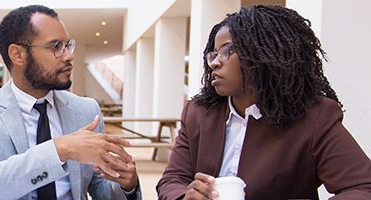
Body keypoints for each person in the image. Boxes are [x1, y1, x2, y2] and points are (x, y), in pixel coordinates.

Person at [156, 5, 371, 200]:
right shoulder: (198, 113)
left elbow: (362, 187)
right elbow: (171, 180)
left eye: (226, 51)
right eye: (213, 54)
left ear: (262, 54)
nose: (214, 63)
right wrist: (187, 196)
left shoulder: (313, 117)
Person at [0, 5, 141, 200]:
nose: (69, 55)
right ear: (18, 54)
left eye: (68, 45)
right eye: (56, 47)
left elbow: (99, 187)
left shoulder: (86, 111)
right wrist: (60, 149)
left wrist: (126, 185)